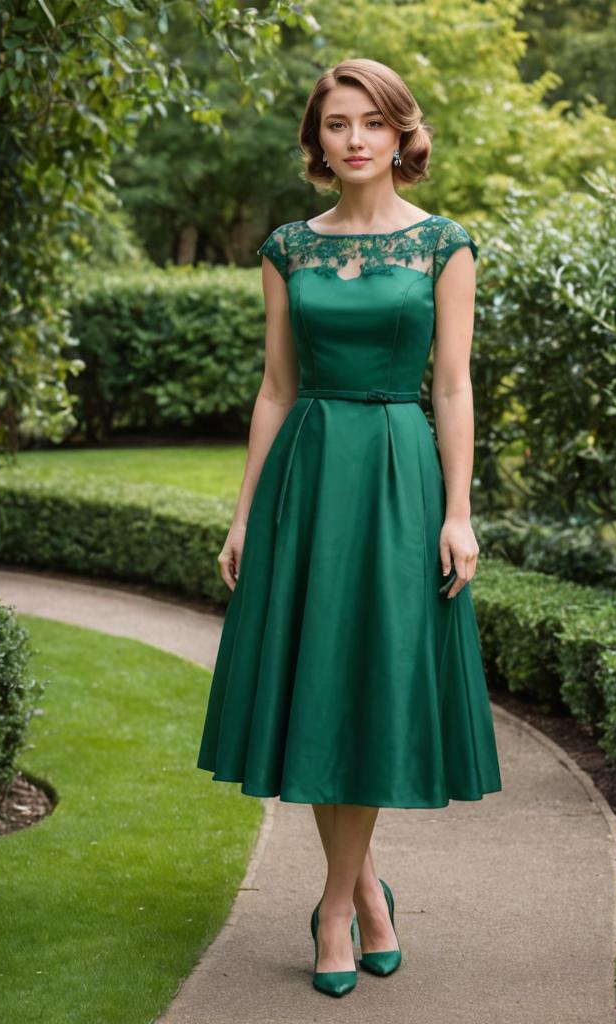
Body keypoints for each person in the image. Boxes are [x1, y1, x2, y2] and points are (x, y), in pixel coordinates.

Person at [197, 57, 502, 998]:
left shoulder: (446, 244)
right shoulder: (288, 246)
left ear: (401, 132)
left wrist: (458, 511)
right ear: (318, 141)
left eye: (372, 121)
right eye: (337, 124)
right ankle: (361, 896)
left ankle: (336, 903)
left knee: (369, 681)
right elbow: (276, 388)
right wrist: (244, 514)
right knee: (321, 684)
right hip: (310, 473)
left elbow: (451, 385)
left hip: (399, 474)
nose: (356, 138)